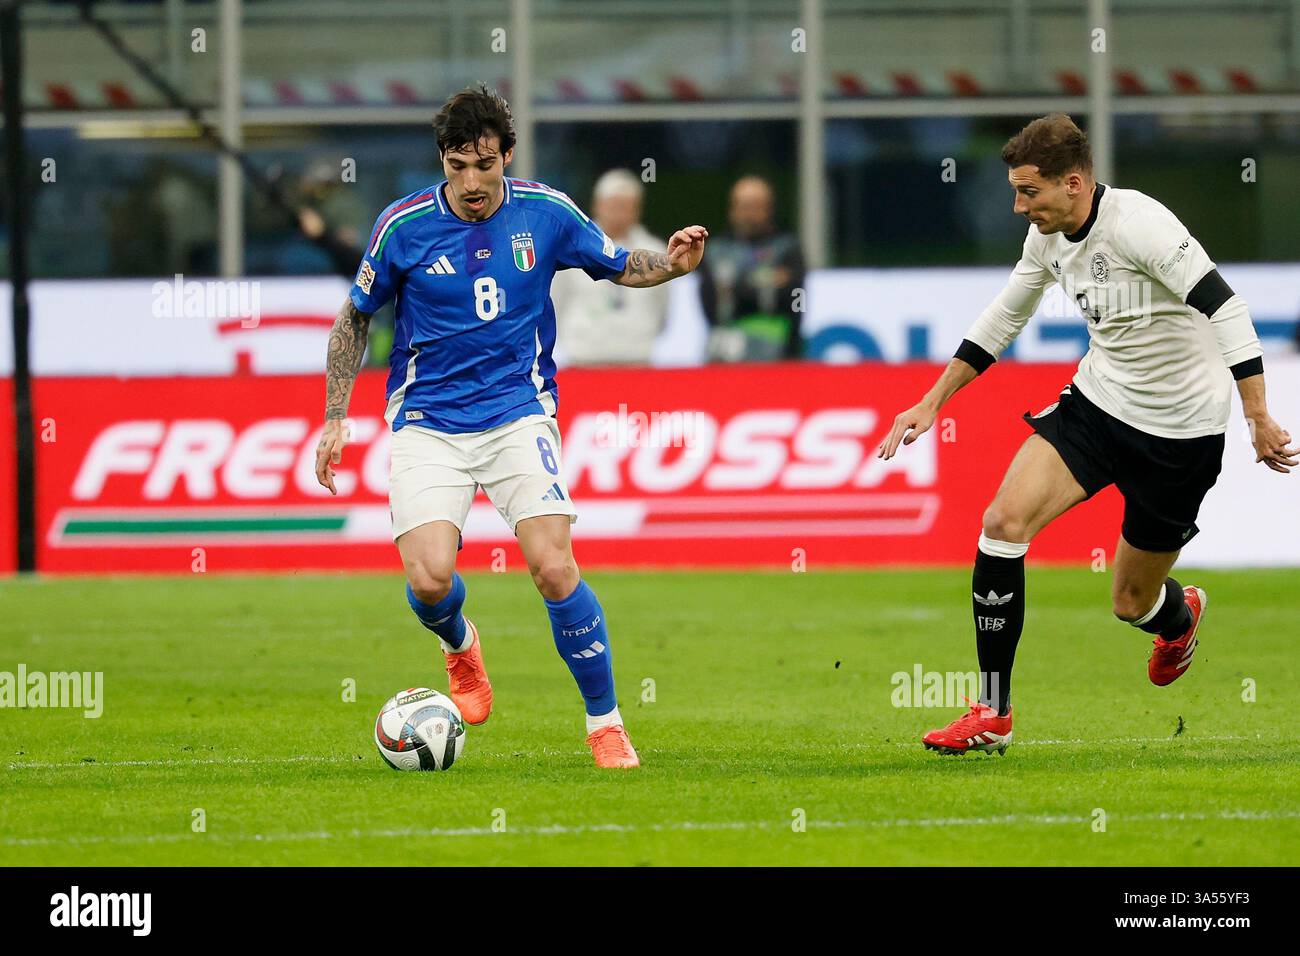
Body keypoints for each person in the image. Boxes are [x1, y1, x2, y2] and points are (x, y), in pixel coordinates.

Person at [314, 84, 708, 768]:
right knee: (431, 579)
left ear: (508, 158)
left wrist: (670, 265)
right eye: (458, 166)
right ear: (442, 160)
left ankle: (605, 723)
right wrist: (334, 417)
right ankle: (461, 647)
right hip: (428, 422)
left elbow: (619, 264)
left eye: (485, 165)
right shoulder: (401, 226)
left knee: (554, 568)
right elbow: (355, 316)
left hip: (516, 413)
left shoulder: (546, 212)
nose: (471, 182)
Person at [878, 113, 1296, 756]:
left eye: (1029, 192)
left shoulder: (1142, 225)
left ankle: (1178, 618)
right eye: (1016, 192)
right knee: (1001, 523)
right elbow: (1003, 318)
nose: (1020, 206)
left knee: (1132, 602)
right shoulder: (1046, 239)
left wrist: (1258, 416)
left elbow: (1227, 307)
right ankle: (993, 709)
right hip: (1097, 408)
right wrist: (930, 402)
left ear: (1073, 183)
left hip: (1180, 436)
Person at [551, 169, 668, 365]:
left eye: (625, 206)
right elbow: (556, 301)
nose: (619, 213)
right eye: (613, 205)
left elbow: (663, 307)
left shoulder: (654, 251)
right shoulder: (572, 246)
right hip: (583, 357)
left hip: (637, 358)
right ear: (598, 206)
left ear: (637, 209)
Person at [696, 175, 804, 361]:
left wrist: (734, 288)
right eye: (743, 207)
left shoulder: (787, 248)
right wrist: (764, 282)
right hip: (724, 351)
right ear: (732, 209)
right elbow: (710, 302)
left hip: (778, 352)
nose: (749, 214)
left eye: (756, 206)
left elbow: (794, 298)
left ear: (769, 209)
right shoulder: (715, 251)